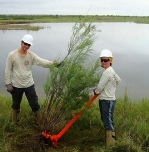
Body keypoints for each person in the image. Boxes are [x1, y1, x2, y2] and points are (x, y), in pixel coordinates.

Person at [5, 34, 58, 126]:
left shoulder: (31, 56)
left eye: (28, 45)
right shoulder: (12, 55)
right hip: (16, 85)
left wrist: (55, 64)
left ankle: (40, 123)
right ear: (21, 42)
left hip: (29, 84)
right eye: (25, 43)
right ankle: (14, 123)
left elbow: (42, 62)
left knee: (34, 104)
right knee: (15, 104)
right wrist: (8, 84)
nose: (26, 46)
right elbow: (8, 70)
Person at [94, 49, 121, 148]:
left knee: (107, 121)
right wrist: (111, 87)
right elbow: (118, 80)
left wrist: (96, 91)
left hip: (107, 100)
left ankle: (110, 145)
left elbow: (100, 86)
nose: (103, 62)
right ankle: (111, 141)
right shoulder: (111, 71)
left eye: (105, 60)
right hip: (108, 99)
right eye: (102, 60)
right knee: (107, 119)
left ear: (110, 60)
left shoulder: (107, 72)